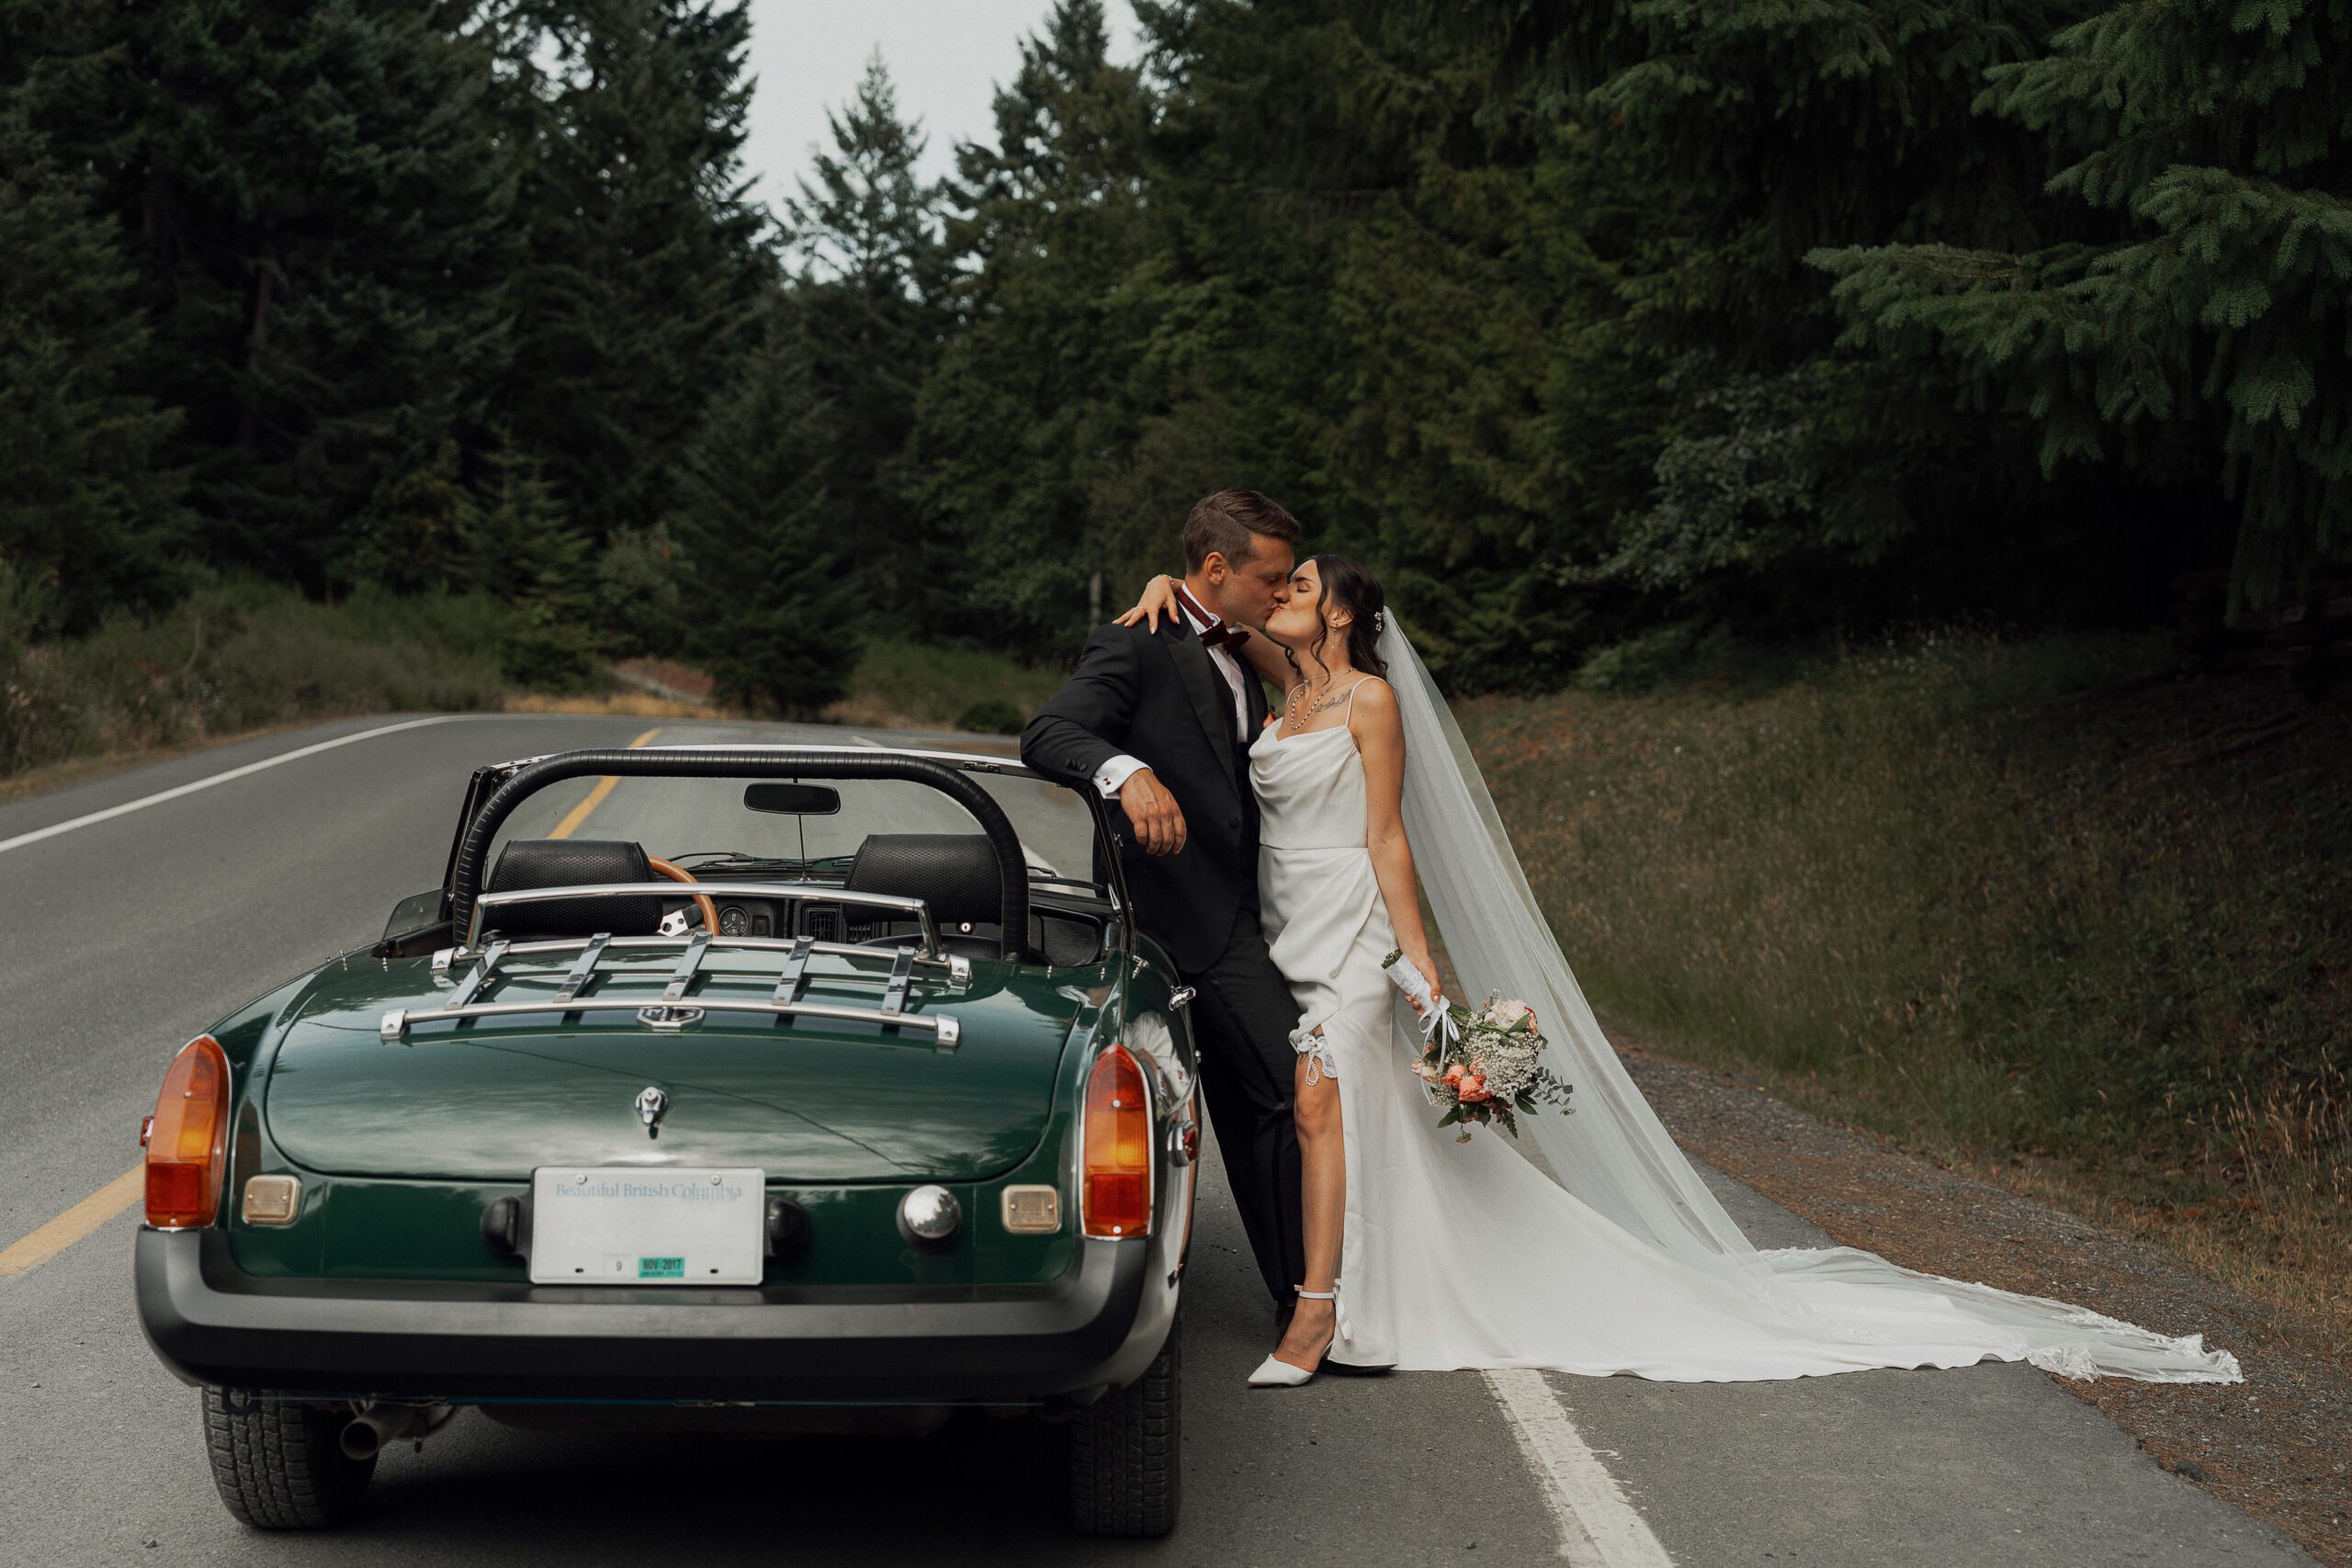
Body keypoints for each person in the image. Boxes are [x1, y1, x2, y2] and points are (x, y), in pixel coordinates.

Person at [1118, 558, 2245, 1388]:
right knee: (1350, 1114)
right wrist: (1174, 581)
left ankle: (1316, 1315)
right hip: (1284, 926)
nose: (1288, 591)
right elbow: (1216, 631)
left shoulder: (1368, 697)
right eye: (1285, 585)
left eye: (1307, 583)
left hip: (1353, 923)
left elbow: (1388, 837)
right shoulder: (1289, 685)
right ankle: (1364, 1282)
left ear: (1353, 613)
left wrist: (1420, 963)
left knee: (1319, 1100)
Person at [1019, 489, 1311, 1323]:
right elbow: (1048, 734)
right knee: (1281, 1096)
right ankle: (1307, 1298)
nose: (1283, 593)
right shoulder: (1134, 642)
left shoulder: (1250, 639)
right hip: (1185, 919)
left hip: (1269, 910)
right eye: (1272, 577)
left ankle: (1303, 1292)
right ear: (1217, 567)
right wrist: (1126, 770)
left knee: (1278, 1101)